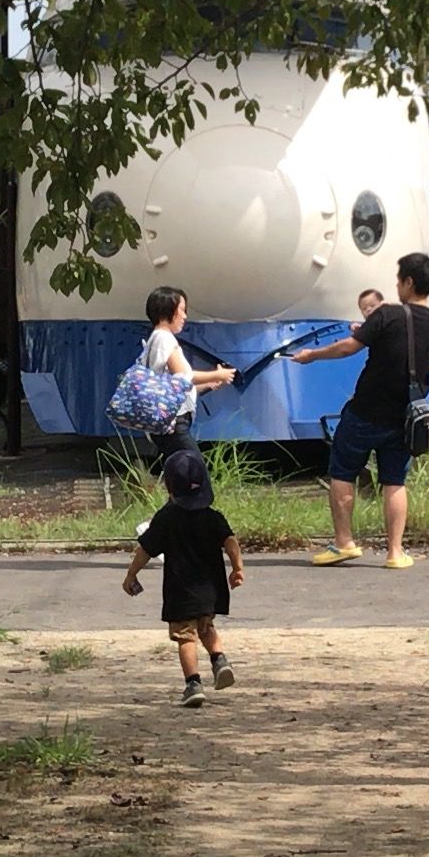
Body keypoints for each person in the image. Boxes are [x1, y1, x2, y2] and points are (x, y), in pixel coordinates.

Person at [290, 251, 429, 569]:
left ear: (408, 282)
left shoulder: (387, 314)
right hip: (406, 419)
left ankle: (345, 543)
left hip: (366, 412)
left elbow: (349, 346)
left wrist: (313, 355)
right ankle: (395, 552)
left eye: (398, 280)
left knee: (342, 472)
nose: (396, 285)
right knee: (394, 482)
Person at [122, 448, 243, 707]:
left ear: (169, 486)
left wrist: (132, 574)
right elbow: (231, 541)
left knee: (186, 638)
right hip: (209, 590)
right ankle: (220, 659)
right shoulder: (213, 517)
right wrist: (237, 568)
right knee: (207, 628)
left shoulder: (167, 518)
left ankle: (193, 684)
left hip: (181, 593)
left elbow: (146, 549)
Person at [135, 285, 234, 468]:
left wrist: (208, 384)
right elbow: (184, 376)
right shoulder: (165, 339)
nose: (185, 316)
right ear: (168, 310)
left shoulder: (154, 339)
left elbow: (171, 385)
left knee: (183, 478)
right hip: (174, 425)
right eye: (182, 310)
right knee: (197, 475)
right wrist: (218, 373)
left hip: (165, 423)